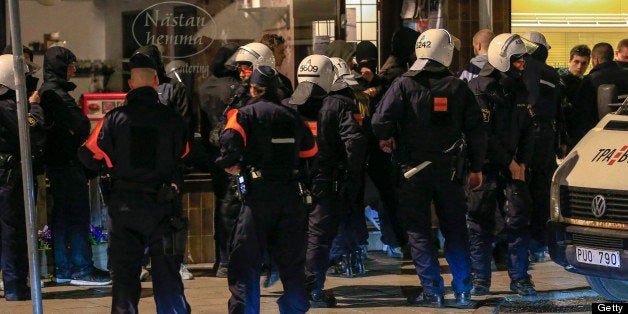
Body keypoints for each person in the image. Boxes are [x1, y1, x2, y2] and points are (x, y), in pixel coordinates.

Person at [372, 29, 486, 308]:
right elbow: (476, 131)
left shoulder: (403, 84)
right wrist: (476, 167)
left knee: (418, 231)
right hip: (449, 170)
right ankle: (462, 290)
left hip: (412, 171)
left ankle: (432, 291)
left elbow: (379, 123)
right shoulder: (458, 86)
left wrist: (388, 138)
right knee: (455, 228)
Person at [77, 51, 191, 313]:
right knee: (167, 278)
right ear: (155, 83)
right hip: (164, 208)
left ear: (130, 84)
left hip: (125, 208)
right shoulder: (173, 120)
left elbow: (87, 155)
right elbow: (185, 154)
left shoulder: (114, 119)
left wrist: (111, 164)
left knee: (125, 280)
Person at [217, 65, 317, 314]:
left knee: (245, 263)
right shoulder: (292, 116)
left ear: (253, 88)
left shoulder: (243, 115)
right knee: (293, 263)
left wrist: (233, 165)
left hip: (257, 198)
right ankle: (295, 309)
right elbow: (310, 151)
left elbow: (228, 147)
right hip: (290, 196)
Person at [466, 33, 536, 297]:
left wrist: (523, 163)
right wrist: (511, 162)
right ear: (503, 60)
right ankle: (480, 278)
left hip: (514, 168)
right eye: (517, 60)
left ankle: (520, 278)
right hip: (485, 168)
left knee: (518, 223)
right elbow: (483, 134)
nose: (523, 65)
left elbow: (530, 128)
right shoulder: (479, 88)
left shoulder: (520, 89)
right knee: (479, 224)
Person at [293, 55, 366, 307]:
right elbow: (354, 143)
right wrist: (351, 176)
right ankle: (312, 288)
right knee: (318, 238)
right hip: (326, 182)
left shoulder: (287, 105)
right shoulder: (338, 104)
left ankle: (297, 287)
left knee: (297, 236)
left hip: (292, 183)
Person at [38, 46, 111, 286]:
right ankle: (81, 268)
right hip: (68, 164)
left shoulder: (48, 92)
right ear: (61, 66)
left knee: (62, 217)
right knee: (76, 216)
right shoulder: (56, 94)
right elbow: (79, 125)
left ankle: (64, 268)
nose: (74, 69)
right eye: (70, 64)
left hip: (59, 163)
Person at [130, 45, 194, 281]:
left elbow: (184, 124)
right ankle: (141, 262)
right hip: (141, 163)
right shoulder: (134, 90)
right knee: (141, 215)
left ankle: (176, 261)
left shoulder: (172, 88)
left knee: (172, 214)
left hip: (167, 162)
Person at [0, 54, 45, 301]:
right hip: (9, 178)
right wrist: (34, 106)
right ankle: (16, 286)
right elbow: (33, 130)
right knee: (13, 231)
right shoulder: (9, 106)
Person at [521, 31, 564, 262]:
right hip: (545, 138)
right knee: (540, 192)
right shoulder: (552, 74)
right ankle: (537, 243)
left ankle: (517, 245)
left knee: (518, 189)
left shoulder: (516, 69)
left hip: (520, 136)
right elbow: (558, 110)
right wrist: (560, 141)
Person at [198, 42, 241, 278]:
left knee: (222, 206)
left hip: (214, 154)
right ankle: (233, 259)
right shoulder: (236, 88)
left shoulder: (206, 86)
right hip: (235, 152)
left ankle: (221, 261)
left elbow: (202, 127)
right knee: (237, 207)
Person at [571, 42, 628, 145]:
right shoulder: (625, 75)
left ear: (595, 59)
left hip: (599, 139)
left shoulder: (591, 80)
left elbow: (581, 115)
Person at [557, 44, 590, 151]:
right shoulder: (558, 80)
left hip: (577, 133)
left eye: (584, 63)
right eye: (576, 62)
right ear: (569, 61)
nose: (579, 67)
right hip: (561, 133)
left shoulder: (585, 83)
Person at [260, 33, 293, 98]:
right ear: (269, 54)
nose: (284, 56)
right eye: (281, 52)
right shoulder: (254, 82)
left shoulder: (285, 82)